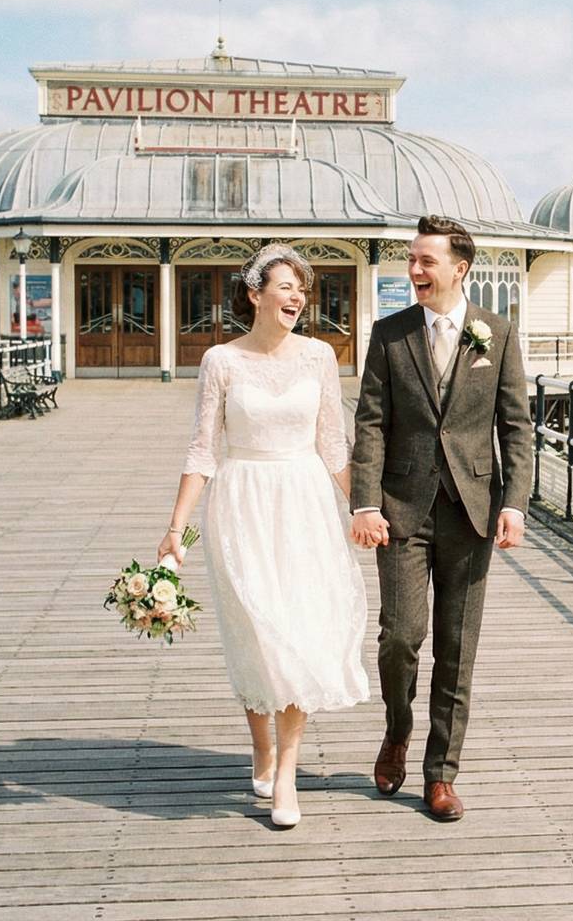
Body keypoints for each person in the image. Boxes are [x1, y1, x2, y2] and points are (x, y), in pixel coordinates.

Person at [159, 243, 369, 829]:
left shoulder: (321, 357)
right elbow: (203, 448)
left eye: (303, 289)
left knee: (295, 633)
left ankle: (287, 775)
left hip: (303, 502)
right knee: (254, 632)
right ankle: (260, 743)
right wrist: (174, 528)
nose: (298, 297)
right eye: (286, 286)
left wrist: (364, 509)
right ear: (255, 294)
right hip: (242, 502)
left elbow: (333, 444)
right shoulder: (221, 362)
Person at [349, 215, 533, 822]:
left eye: (427, 261)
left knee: (458, 649)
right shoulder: (390, 333)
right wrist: (366, 502)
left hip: (473, 512)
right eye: (412, 260)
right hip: (402, 510)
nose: (415, 271)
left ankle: (440, 774)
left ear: (460, 268)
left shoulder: (496, 334)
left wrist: (514, 503)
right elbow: (371, 421)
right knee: (401, 636)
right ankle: (397, 729)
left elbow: (516, 427)